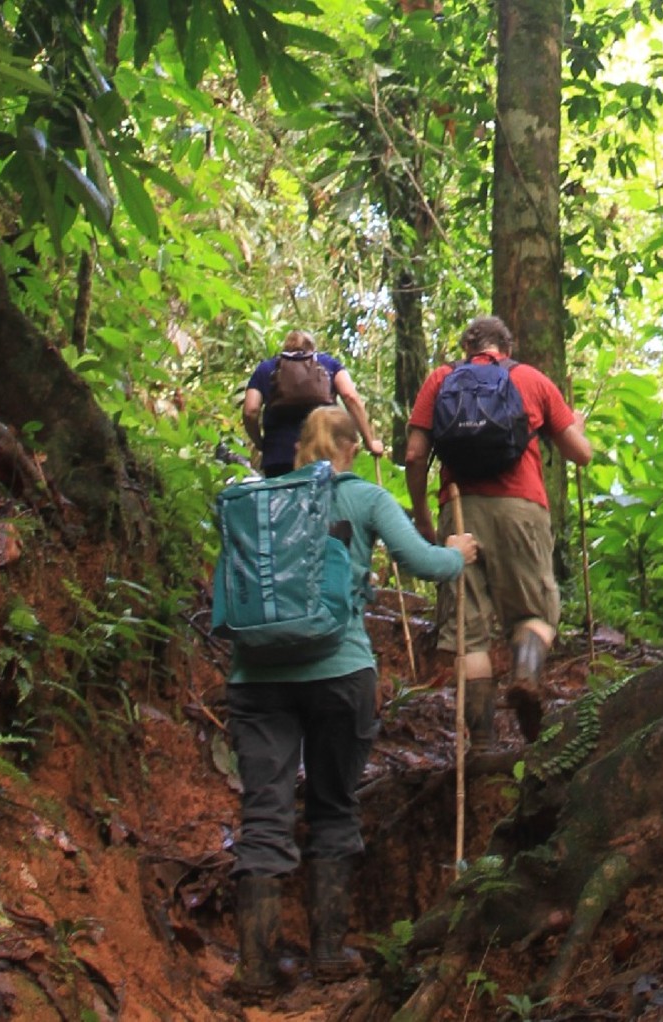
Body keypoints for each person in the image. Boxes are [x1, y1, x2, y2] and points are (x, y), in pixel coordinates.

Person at [227, 406, 477, 996]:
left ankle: (257, 970)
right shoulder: (362, 497)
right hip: (340, 671)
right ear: (349, 447)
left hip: (256, 676)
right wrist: (459, 552)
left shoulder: (257, 497)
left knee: (263, 815)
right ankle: (330, 952)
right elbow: (422, 562)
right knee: (333, 807)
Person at [404, 315, 592, 754]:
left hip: (460, 510)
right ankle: (525, 675)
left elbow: (415, 454)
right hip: (521, 509)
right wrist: (576, 425)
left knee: (468, 633)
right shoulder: (531, 379)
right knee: (536, 614)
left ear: (468, 346)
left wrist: (423, 518)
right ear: (506, 345)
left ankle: (484, 742)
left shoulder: (441, 378)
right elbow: (579, 454)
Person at [243, 329, 385, 477]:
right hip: (322, 454)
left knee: (283, 500)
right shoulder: (327, 364)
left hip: (278, 456)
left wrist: (260, 442)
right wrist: (370, 442)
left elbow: (250, 410)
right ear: (312, 348)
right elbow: (350, 397)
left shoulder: (267, 368)